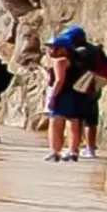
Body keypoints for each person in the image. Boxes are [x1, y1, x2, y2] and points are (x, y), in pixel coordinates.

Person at [65, 25, 107, 158]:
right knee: (91, 118)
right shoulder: (95, 49)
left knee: (75, 118)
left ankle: (73, 147)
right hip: (94, 86)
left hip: (79, 87)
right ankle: (90, 148)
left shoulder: (78, 51)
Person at [43, 31, 84, 162]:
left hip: (62, 93)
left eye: (52, 47)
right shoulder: (75, 60)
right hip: (74, 93)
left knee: (55, 123)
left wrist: (52, 97)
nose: (50, 50)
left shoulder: (60, 61)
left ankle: (55, 151)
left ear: (62, 49)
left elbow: (59, 80)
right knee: (73, 122)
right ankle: (73, 151)